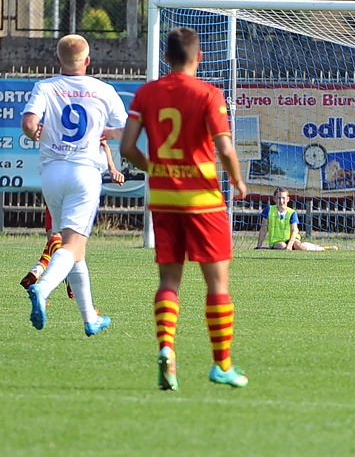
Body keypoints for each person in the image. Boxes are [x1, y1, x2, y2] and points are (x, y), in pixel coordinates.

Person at [120, 26, 249, 391]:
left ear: (165, 57)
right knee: (217, 284)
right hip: (203, 202)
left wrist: (156, 169)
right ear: (200, 57)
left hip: (163, 200)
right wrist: (238, 181)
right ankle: (221, 364)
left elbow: (127, 148)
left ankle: (166, 349)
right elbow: (224, 149)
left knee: (168, 281)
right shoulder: (209, 93)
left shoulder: (147, 92)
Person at [21, 34, 128, 337]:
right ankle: (42, 288)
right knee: (72, 244)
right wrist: (103, 132)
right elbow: (124, 129)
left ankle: (89, 318)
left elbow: (29, 125)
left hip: (52, 174)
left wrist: (36, 134)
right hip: (84, 173)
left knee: (73, 245)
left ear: (58, 61)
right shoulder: (102, 89)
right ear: (88, 61)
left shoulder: (46, 86)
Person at [20, 138, 125, 292]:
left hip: (57, 182)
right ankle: (66, 283)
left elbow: (103, 142)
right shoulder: (86, 117)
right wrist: (112, 168)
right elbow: (107, 140)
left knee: (57, 240)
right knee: (73, 244)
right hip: (78, 185)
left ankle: (39, 274)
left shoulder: (59, 117)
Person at [256, 188, 339, 251]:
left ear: (287, 199)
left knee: (299, 246)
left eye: (283, 198)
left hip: (291, 239)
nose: (281, 201)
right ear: (274, 199)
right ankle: (268, 248)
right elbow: (263, 228)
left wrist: (289, 245)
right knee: (281, 246)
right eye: (278, 198)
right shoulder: (269, 210)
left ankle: (321, 248)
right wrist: (258, 245)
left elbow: (294, 231)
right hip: (277, 241)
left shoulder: (292, 212)